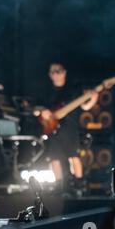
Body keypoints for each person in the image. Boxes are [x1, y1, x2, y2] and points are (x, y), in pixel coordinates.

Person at [40, 62, 98, 193]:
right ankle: (58, 187)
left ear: (64, 72)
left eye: (58, 71)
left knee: (74, 157)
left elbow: (85, 107)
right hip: (53, 129)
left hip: (70, 129)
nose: (55, 74)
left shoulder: (73, 90)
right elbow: (37, 108)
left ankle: (79, 185)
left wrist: (93, 99)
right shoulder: (46, 92)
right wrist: (43, 111)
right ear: (50, 75)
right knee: (54, 158)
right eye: (52, 72)